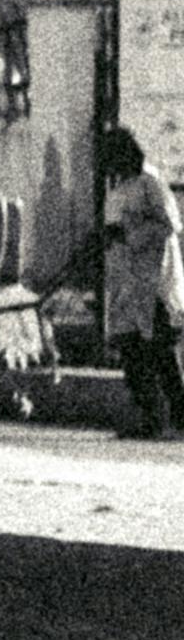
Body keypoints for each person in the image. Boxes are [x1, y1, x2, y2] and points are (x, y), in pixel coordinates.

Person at [101, 119, 180, 439]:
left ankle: (176, 416)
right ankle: (149, 416)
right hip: (126, 283)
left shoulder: (151, 183)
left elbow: (169, 225)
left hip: (153, 282)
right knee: (132, 351)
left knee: (160, 353)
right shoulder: (118, 188)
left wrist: (130, 233)